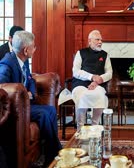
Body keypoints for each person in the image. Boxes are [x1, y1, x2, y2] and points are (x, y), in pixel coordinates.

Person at [0, 31, 62, 166]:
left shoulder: (24, 60)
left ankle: (51, 151)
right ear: (26, 49)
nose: (35, 49)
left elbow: (31, 80)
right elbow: (2, 88)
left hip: (26, 105)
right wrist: (22, 93)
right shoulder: (6, 64)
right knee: (44, 114)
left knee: (51, 110)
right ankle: (54, 154)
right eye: (33, 46)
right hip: (14, 110)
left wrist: (30, 93)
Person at [72, 29, 113, 130]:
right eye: (97, 39)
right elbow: (76, 71)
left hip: (98, 84)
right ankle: (80, 128)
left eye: (101, 40)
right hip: (80, 84)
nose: (100, 42)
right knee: (82, 95)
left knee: (99, 95)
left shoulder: (105, 55)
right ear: (89, 41)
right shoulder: (81, 53)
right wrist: (91, 77)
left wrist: (98, 80)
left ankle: (95, 127)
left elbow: (109, 73)